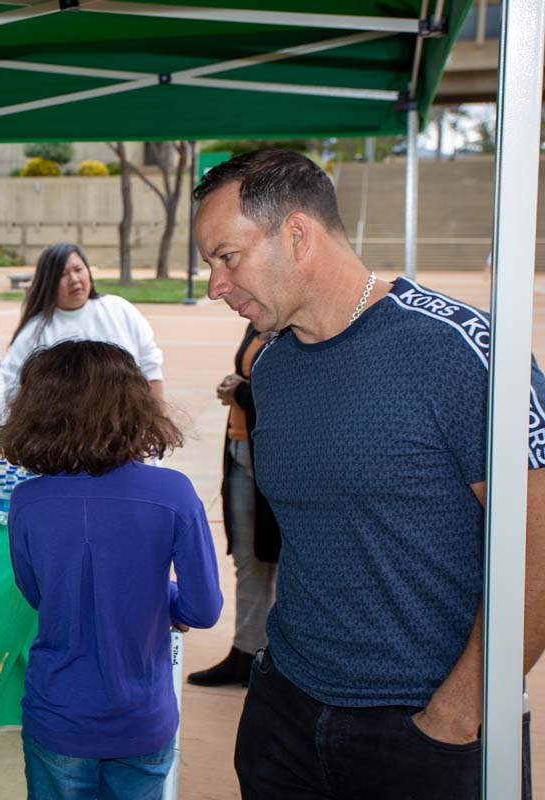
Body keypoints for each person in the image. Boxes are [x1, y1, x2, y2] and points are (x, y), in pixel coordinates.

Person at [193, 148, 545, 798]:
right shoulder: (270, 368)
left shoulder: (460, 352)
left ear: (297, 235)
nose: (215, 283)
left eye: (227, 256)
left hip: (426, 726)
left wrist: (462, 709)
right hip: (286, 710)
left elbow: (539, 542)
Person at [0, 340, 222, 800]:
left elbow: (39, 594)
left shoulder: (27, 500)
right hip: (142, 714)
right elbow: (203, 610)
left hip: (58, 712)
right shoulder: (174, 493)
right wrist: (163, 597)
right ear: (134, 406)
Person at [187, 324, 279, 688]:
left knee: (281, 562)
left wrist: (242, 392)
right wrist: (238, 385)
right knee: (248, 559)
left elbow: (289, 393)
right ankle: (245, 653)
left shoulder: (298, 322)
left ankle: (276, 662)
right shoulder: (257, 320)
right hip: (241, 451)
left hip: (277, 461)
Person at [0, 243, 164, 403]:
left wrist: (160, 419)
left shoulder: (119, 310)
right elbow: (12, 388)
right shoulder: (34, 332)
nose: (74, 279)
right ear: (48, 283)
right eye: (62, 274)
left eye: (78, 270)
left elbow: (150, 366)